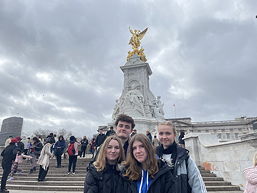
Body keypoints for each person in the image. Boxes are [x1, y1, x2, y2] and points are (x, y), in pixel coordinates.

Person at [156, 121, 207, 193]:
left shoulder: (185, 157)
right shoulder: (152, 156)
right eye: (161, 133)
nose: (164, 137)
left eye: (168, 133)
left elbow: (197, 183)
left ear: (174, 135)